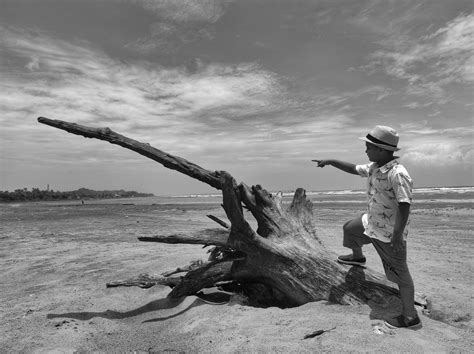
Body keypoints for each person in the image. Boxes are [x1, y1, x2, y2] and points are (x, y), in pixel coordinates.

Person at [313, 125, 421, 329]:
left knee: (401, 275)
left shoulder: (397, 173)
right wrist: (330, 161)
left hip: (389, 234)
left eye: (368, 147)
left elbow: (404, 206)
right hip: (371, 224)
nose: (366, 151)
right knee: (349, 228)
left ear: (380, 149)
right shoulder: (374, 167)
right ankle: (357, 257)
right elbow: (353, 168)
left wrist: (397, 236)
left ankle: (410, 317)